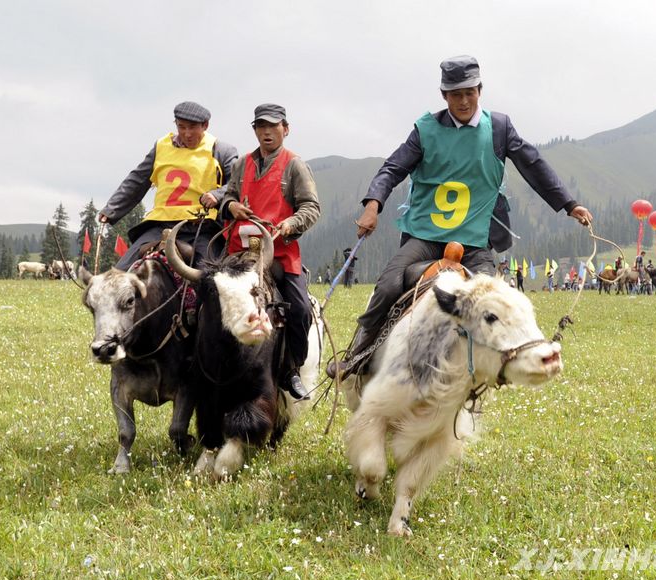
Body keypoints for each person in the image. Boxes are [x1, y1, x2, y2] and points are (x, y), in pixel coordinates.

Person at [327, 56, 593, 379]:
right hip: (425, 236)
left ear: (480, 90)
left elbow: (533, 165)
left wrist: (569, 204)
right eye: (456, 94)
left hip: (475, 239)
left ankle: (505, 362)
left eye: (470, 92)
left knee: (492, 299)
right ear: (444, 96)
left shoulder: (498, 129)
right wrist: (373, 204)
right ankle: (359, 355)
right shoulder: (425, 129)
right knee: (386, 287)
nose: (464, 100)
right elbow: (393, 167)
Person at [219, 103, 320, 400]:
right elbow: (228, 196)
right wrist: (231, 206)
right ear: (254, 130)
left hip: (278, 253)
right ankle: (204, 363)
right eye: (260, 126)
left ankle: (291, 369)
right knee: (208, 300)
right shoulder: (242, 164)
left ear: (285, 129)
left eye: (272, 126)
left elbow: (312, 207)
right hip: (239, 251)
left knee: (299, 309)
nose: (266, 132)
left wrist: (290, 224)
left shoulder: (295, 165)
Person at [99, 101, 238, 270]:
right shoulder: (160, 147)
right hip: (161, 225)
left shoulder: (221, 150)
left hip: (201, 227)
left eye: (193, 127)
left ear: (205, 125)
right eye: (181, 127)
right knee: (120, 274)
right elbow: (137, 180)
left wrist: (217, 195)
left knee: (213, 279)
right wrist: (111, 209)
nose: (187, 134)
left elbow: (236, 182)